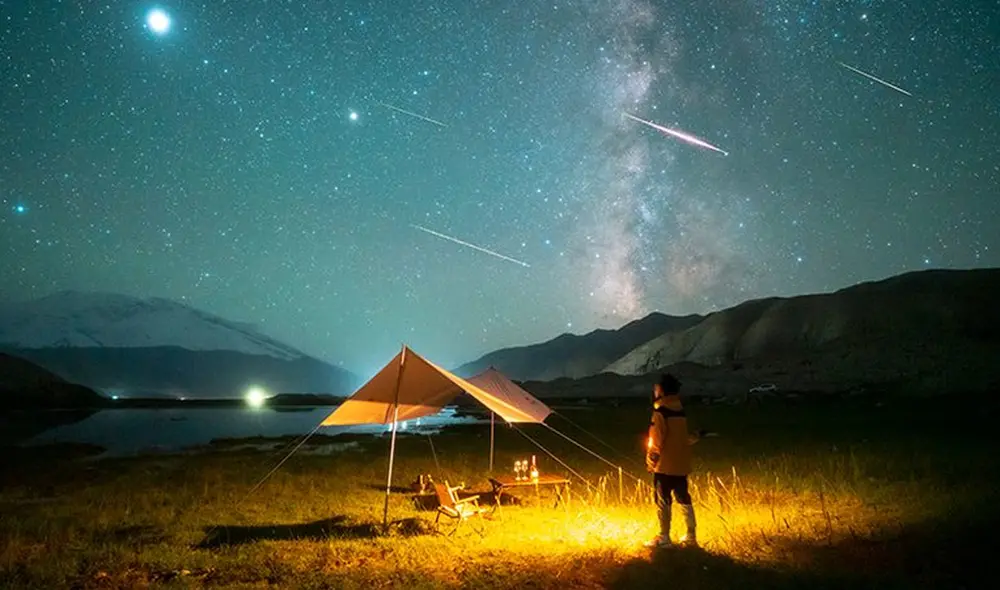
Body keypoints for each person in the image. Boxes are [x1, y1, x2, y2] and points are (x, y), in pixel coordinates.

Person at [645, 373, 700, 548]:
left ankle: (664, 537)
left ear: (661, 390)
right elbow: (683, 438)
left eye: (656, 388)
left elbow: (656, 439)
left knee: (663, 499)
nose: (654, 391)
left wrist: (651, 460)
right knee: (684, 497)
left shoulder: (660, 412)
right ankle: (691, 534)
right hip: (681, 464)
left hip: (665, 465)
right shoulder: (680, 411)